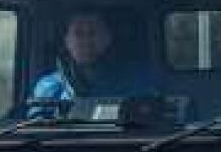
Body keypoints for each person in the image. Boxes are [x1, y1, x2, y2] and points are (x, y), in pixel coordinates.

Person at [25, 10, 155, 115]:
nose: (86, 42)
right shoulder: (49, 86)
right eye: (78, 34)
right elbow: (36, 129)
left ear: (107, 38)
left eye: (92, 33)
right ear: (67, 41)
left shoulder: (138, 79)